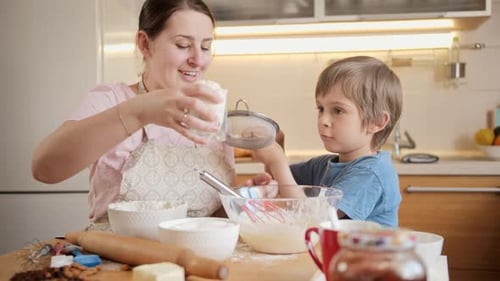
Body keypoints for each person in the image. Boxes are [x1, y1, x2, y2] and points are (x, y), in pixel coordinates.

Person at [31, 0, 235, 228]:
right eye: (183, 44)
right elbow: (45, 169)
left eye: (206, 47)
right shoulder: (111, 100)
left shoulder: (212, 112)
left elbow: (217, 217)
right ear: (145, 44)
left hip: (198, 259)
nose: (198, 59)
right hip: (118, 260)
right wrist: (139, 113)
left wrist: (245, 197)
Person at [249, 56, 403, 227]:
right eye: (321, 108)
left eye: (338, 110)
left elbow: (313, 219)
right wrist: (277, 146)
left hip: (372, 254)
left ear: (377, 122)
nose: (323, 119)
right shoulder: (324, 165)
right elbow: (286, 184)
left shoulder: (371, 173)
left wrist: (277, 161)